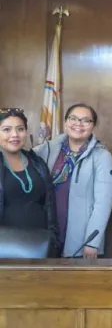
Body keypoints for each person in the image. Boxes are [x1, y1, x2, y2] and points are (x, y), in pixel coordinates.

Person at [34, 104, 112, 258]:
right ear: (66, 122)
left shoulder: (102, 156)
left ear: (93, 126)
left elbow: (103, 204)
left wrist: (92, 242)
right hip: (48, 232)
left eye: (86, 120)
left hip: (81, 239)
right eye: (73, 118)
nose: (79, 124)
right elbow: (20, 156)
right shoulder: (50, 148)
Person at [0, 109, 59, 255]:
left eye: (20, 129)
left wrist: (53, 239)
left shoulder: (37, 162)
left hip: (40, 244)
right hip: (5, 246)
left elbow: (50, 204)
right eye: (6, 130)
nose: (15, 135)